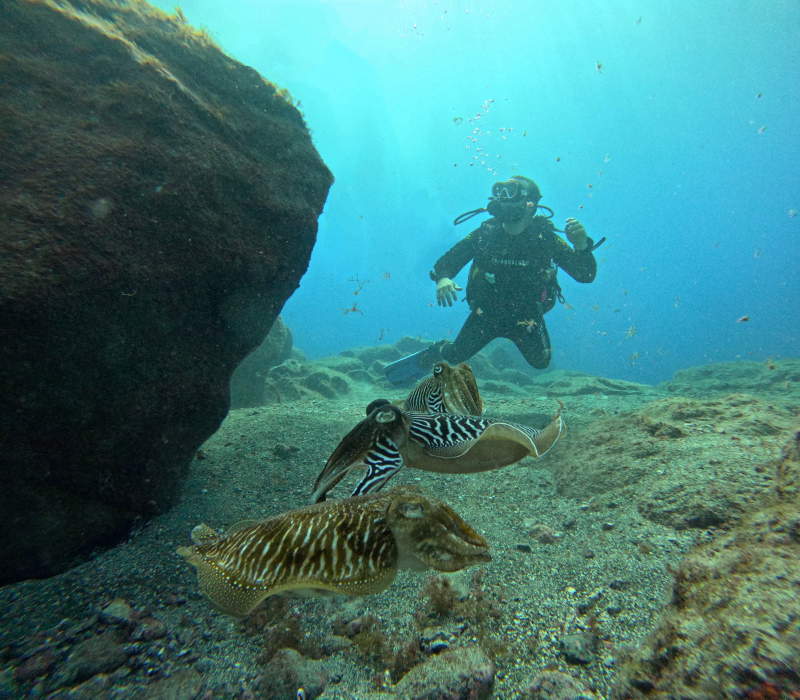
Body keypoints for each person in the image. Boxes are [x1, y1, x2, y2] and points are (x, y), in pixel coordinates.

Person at [420, 175, 599, 371]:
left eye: (511, 191)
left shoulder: (545, 238)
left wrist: (581, 246)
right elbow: (450, 259)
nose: (503, 197)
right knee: (455, 355)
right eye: (500, 191)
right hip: (486, 314)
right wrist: (443, 278)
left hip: (527, 317)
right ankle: (437, 349)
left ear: (530, 204)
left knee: (541, 362)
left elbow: (585, 275)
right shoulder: (486, 233)